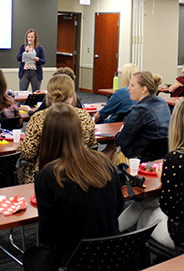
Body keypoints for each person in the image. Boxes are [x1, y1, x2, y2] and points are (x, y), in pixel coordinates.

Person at [24, 103, 124, 270]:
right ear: (78, 131)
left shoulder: (48, 176)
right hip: (111, 253)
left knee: (31, 257)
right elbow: (119, 205)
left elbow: (47, 235)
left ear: (47, 135)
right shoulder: (104, 162)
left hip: (73, 259)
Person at [119, 98, 184, 249]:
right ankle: (113, 235)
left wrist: (165, 179)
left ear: (175, 124)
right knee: (141, 204)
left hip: (183, 233)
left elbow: (168, 207)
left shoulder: (175, 158)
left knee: (143, 215)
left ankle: (124, 246)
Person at [17, 74, 97, 184]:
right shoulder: (85, 116)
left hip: (43, 176)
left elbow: (28, 153)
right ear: (71, 95)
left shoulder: (39, 118)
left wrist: (19, 146)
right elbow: (92, 146)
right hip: (78, 175)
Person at [112, 71, 171, 160]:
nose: (128, 88)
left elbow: (121, 141)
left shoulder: (138, 111)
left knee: (112, 152)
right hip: (163, 156)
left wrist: (120, 132)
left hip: (138, 158)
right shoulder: (162, 103)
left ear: (143, 89)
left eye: (132, 85)